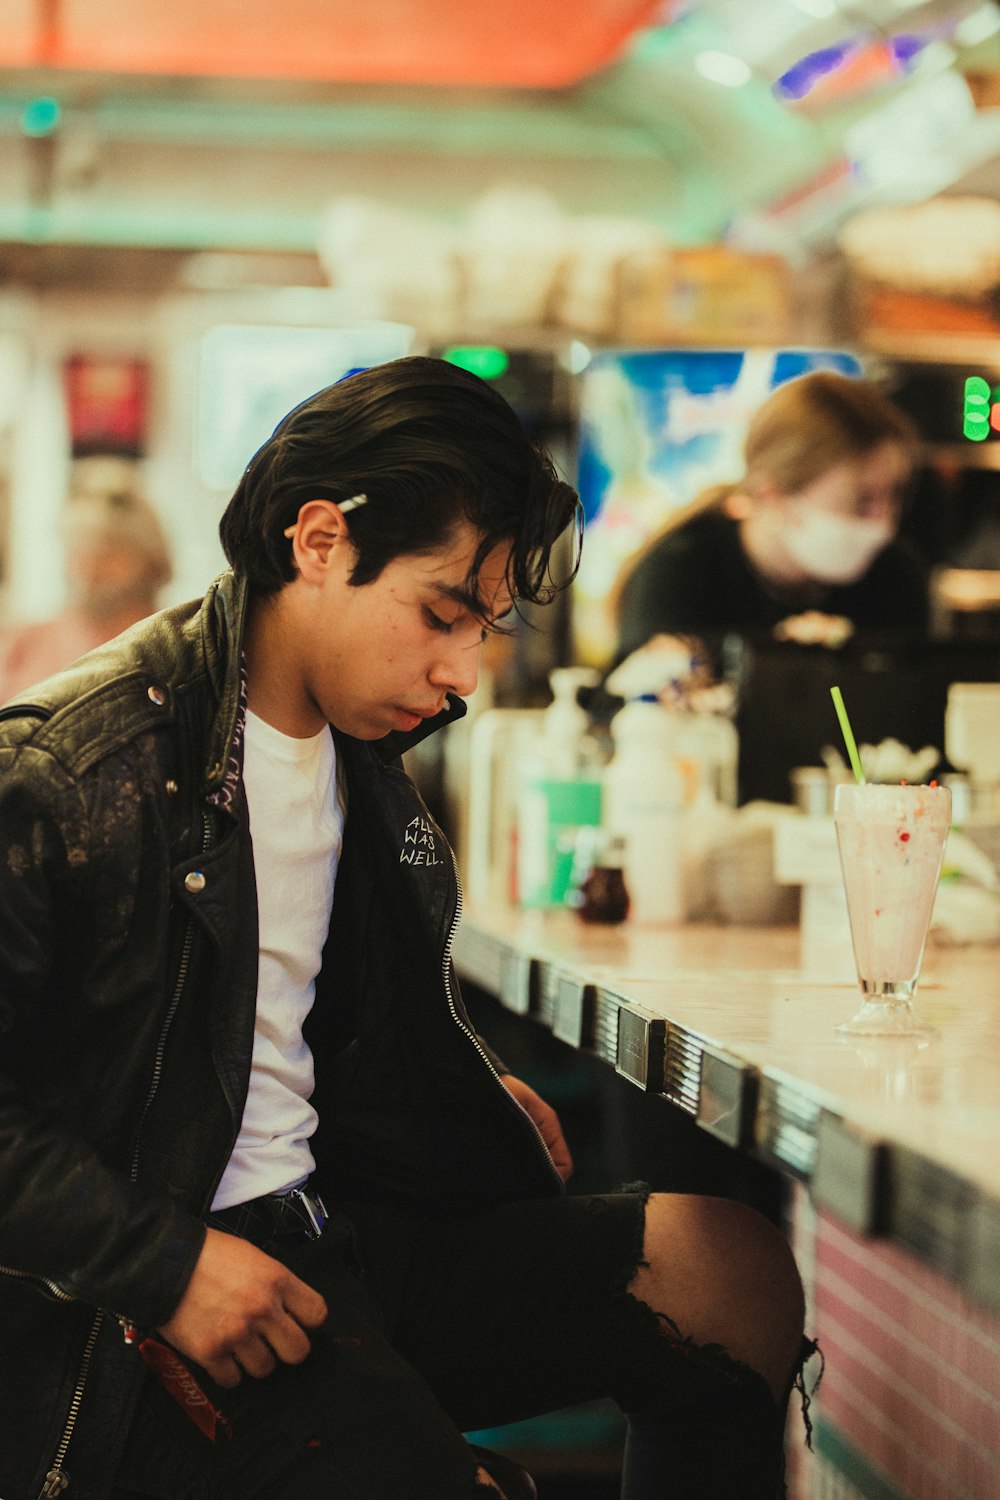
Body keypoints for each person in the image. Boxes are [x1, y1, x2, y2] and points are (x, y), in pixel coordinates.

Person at [0, 356, 811, 1500]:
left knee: (728, 1273)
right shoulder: (75, 766)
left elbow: (269, 1014)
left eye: (482, 626)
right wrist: (165, 1264)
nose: (462, 670)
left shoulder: (357, 744)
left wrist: (461, 1074)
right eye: (442, 613)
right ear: (319, 540)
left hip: (335, 1230)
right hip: (135, 1320)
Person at [613, 369, 928, 670]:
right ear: (772, 494)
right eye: (862, 501)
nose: (884, 522)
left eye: (894, 494)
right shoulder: (677, 578)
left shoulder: (897, 578)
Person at [0, 456, 173, 702]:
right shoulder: (21, 646)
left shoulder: (175, 652)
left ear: (152, 562)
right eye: (78, 551)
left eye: (108, 553)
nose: (89, 570)